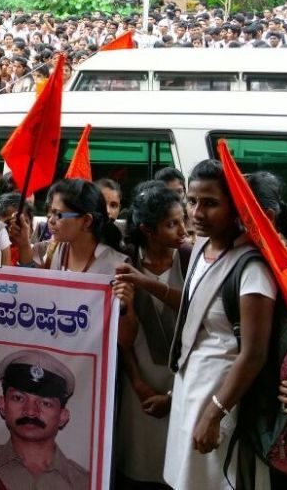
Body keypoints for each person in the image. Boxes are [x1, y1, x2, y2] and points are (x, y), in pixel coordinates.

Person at [156, 159, 276, 490]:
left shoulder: (252, 269)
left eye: (210, 204)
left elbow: (253, 354)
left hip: (222, 394)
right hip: (190, 387)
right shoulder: (200, 250)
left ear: (234, 207)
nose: (197, 213)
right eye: (192, 201)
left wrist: (215, 412)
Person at [111, 182, 187, 488]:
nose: (183, 230)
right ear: (148, 230)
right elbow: (123, 339)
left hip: (182, 384)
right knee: (140, 465)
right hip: (138, 384)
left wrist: (173, 397)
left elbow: (197, 310)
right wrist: (138, 382)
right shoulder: (126, 262)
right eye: (172, 224)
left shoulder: (192, 258)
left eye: (183, 220)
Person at [0, 349, 90, 490]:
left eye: (45, 403)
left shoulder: (85, 483)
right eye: (18, 398)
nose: (31, 412)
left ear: (62, 417)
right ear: (2, 405)